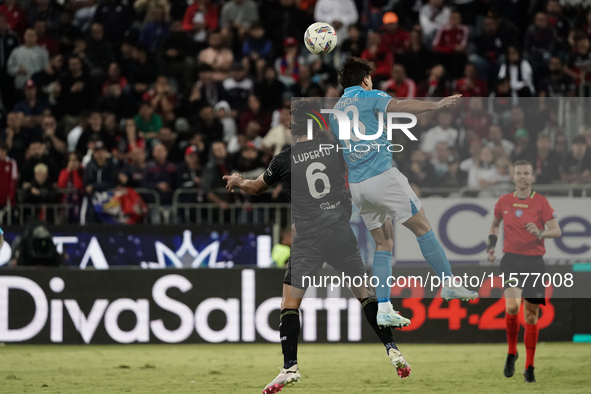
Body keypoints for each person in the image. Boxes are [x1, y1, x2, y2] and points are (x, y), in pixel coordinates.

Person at [224, 98, 412, 394]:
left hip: (309, 239)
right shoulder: (337, 149)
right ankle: (392, 348)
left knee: (289, 305)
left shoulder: (284, 159)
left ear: (292, 128)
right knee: (365, 295)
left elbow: (256, 187)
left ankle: (290, 368)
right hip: (340, 233)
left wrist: (237, 180)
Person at [331, 57, 477, 325]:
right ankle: (448, 282)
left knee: (383, 243)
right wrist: (437, 104)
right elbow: (399, 105)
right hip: (382, 175)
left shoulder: (336, 111)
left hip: (358, 186)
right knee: (422, 227)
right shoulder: (369, 95)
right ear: (365, 80)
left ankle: (384, 308)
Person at [486, 160, 562, 383]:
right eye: (518, 173)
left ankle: (529, 365)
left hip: (534, 263)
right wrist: (491, 246)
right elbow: (495, 223)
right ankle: (511, 352)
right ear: (513, 177)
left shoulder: (541, 202)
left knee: (530, 315)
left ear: (532, 177)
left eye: (526, 173)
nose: (522, 177)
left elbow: (556, 230)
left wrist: (540, 233)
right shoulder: (504, 201)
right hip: (511, 260)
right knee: (512, 306)